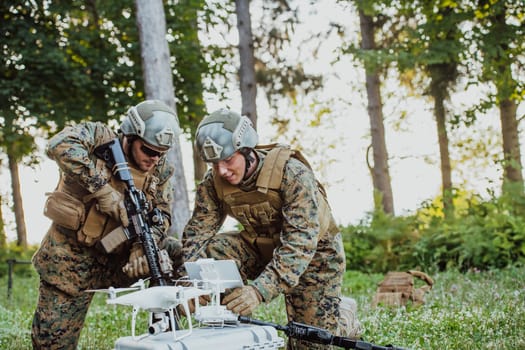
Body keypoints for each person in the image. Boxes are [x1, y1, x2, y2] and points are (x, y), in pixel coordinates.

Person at [181, 108, 362, 350]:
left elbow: (299, 245)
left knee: (309, 344)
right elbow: (197, 235)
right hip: (263, 248)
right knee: (215, 251)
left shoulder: (293, 174)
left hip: (315, 256)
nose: (222, 171)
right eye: (214, 164)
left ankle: (342, 319)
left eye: (227, 160)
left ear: (246, 150)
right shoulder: (213, 184)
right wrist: (191, 284)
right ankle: (228, 324)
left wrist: (258, 291)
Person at [31, 99, 183, 349]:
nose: (155, 159)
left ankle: (168, 328)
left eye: (161, 153)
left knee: (174, 251)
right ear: (131, 135)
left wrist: (141, 248)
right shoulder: (99, 137)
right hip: (70, 263)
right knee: (52, 345)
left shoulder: (161, 170)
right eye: (149, 150)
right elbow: (59, 145)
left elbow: (163, 215)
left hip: (119, 260)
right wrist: (103, 191)